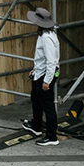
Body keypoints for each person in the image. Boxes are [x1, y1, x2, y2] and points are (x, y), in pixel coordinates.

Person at [23, 7, 61, 146]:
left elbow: (51, 61)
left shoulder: (46, 38)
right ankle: (36, 126)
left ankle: (51, 136)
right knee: (36, 99)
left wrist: (47, 81)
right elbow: (43, 58)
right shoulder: (47, 34)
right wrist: (36, 69)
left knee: (47, 105)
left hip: (45, 74)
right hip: (41, 72)